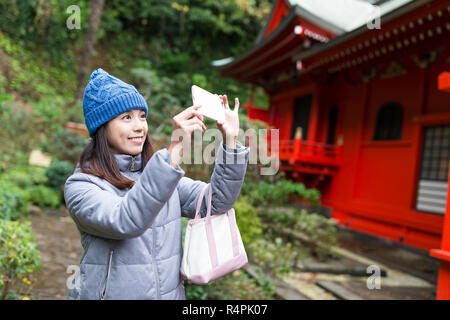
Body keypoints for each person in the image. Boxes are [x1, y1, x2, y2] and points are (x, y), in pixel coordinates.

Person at [64, 68, 250, 300]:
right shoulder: (82, 185)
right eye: (126, 117)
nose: (140, 126)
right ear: (102, 127)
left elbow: (216, 201)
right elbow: (125, 220)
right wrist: (175, 150)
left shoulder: (160, 175)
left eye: (142, 116)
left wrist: (231, 139)